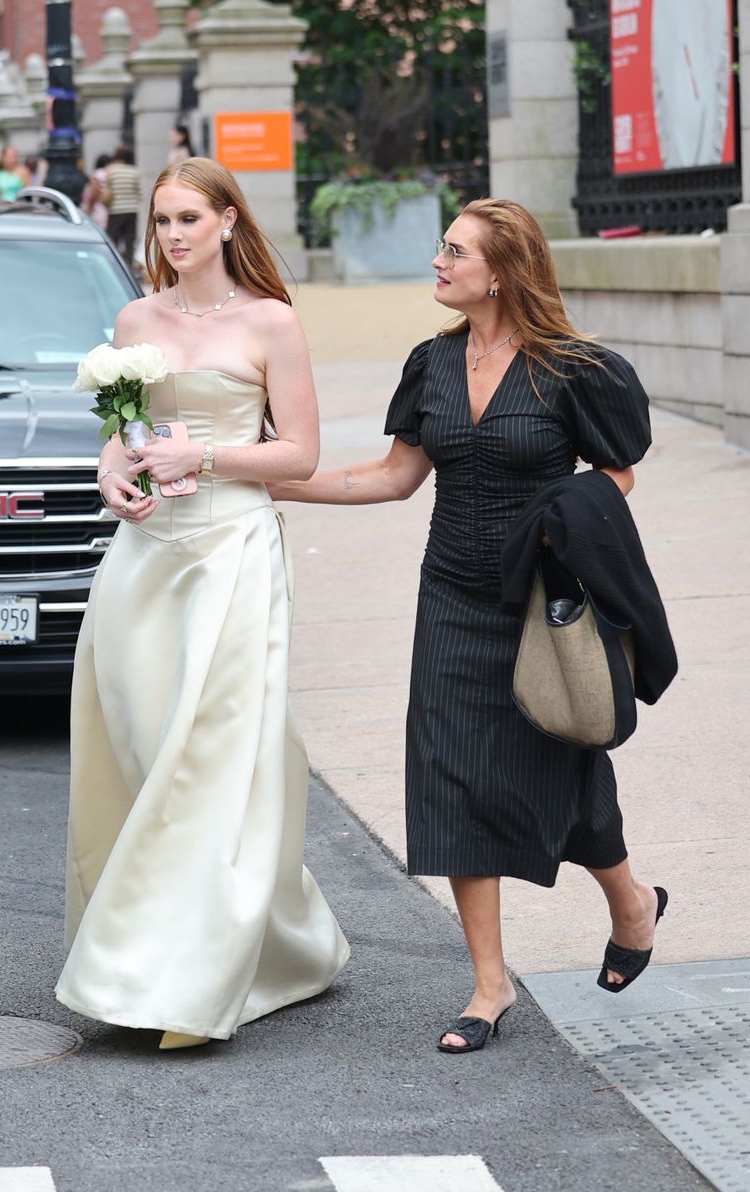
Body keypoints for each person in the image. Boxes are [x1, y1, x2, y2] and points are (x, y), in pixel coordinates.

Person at [269, 198, 669, 1053]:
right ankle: (490, 984)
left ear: (504, 270)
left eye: (455, 251)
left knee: (563, 762)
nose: (439, 262)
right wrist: (273, 484)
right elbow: (391, 476)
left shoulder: (571, 370)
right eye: (443, 248)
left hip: (538, 602)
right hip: (450, 594)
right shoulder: (433, 364)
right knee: (451, 775)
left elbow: (617, 476)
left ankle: (631, 901)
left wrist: (566, 525)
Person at [55, 157, 350, 1050]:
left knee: (210, 754)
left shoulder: (271, 321)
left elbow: (297, 453)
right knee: (145, 748)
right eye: (161, 222)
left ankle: (179, 978)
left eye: (188, 219)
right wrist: (115, 483)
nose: (173, 236)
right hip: (146, 557)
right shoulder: (134, 319)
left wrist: (208, 461)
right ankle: (270, 935)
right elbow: (121, 443)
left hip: (232, 551)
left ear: (227, 220)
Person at [104, 145, 142, 269]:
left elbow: (106, 190)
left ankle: (114, 265)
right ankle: (129, 265)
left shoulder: (111, 170)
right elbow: (138, 192)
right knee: (130, 239)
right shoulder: (134, 171)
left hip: (115, 210)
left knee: (113, 238)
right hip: (131, 210)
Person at [81, 153, 111, 229]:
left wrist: (89, 208)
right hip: (110, 209)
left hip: (98, 210)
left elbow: (94, 194)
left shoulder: (97, 175)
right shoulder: (110, 173)